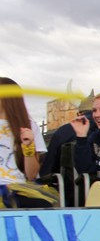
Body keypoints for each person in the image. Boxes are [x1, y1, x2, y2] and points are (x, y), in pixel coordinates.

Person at [0, 77, 53, 208]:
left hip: (19, 187)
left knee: (39, 204)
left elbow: (31, 174)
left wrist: (28, 147)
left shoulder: (27, 125)